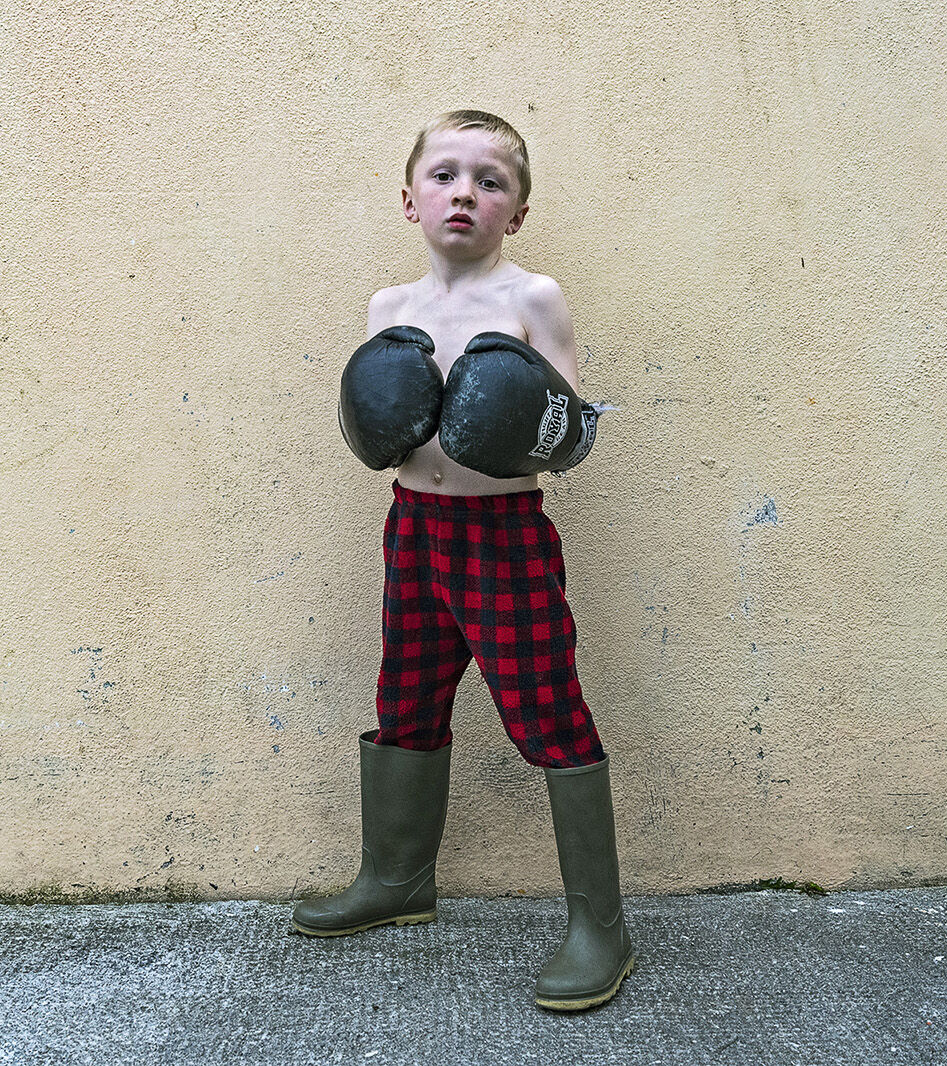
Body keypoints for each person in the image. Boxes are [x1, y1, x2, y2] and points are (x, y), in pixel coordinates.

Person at [292, 110, 634, 1012]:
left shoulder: (533, 298)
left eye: (491, 181)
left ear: (515, 213)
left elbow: (574, 432)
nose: (465, 193)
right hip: (414, 529)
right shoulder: (389, 310)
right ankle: (397, 878)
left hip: (505, 540)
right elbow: (372, 423)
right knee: (405, 700)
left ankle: (601, 925)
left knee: (547, 710)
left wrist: (531, 424)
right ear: (410, 200)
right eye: (445, 175)